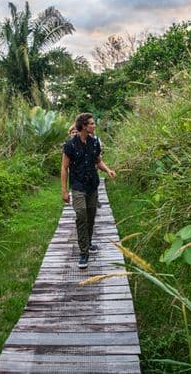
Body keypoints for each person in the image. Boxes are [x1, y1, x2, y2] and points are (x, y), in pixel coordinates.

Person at [61, 113, 116, 269]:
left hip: (92, 185)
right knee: (81, 215)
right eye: (91, 123)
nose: (94, 125)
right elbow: (64, 168)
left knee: (91, 217)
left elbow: (98, 162)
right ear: (84, 126)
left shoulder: (94, 143)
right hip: (78, 186)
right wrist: (64, 191)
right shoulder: (70, 145)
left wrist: (108, 170)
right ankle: (83, 253)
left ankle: (88, 241)